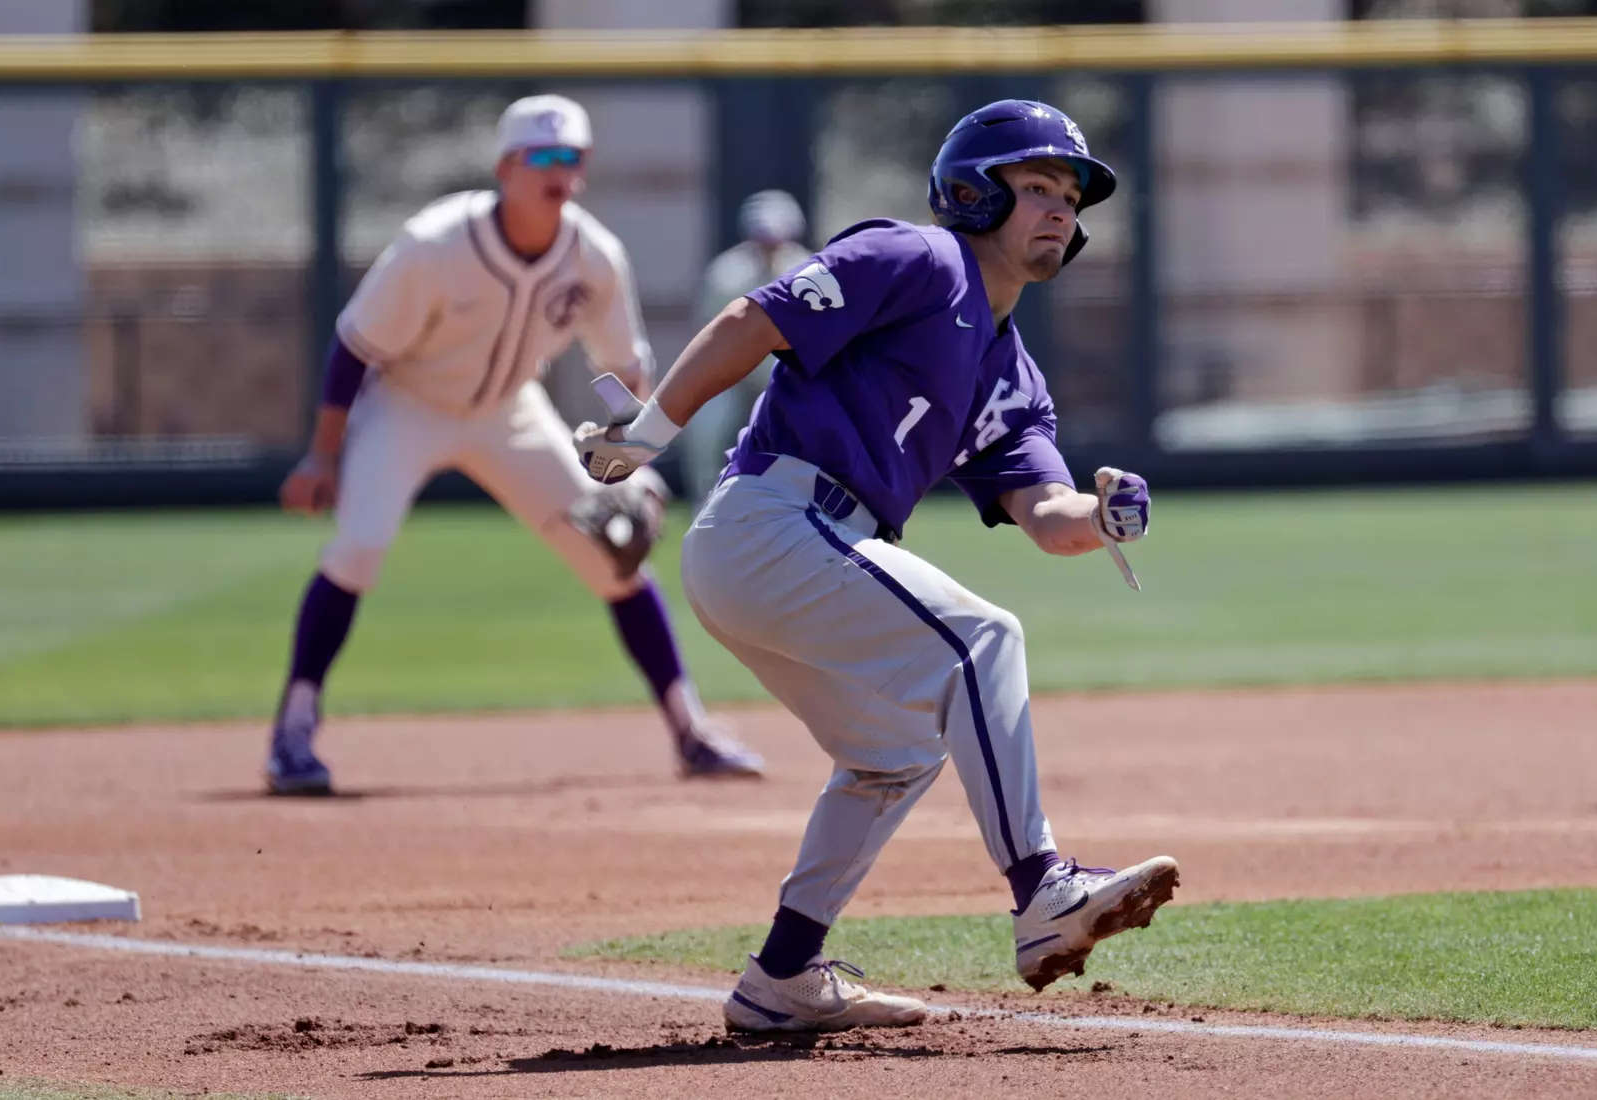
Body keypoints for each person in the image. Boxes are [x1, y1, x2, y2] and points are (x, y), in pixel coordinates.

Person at [574, 99, 1178, 1032]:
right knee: (983, 640)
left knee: (892, 756)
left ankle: (780, 976)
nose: (1061, 209)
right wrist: (651, 431)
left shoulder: (1014, 374)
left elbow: (1045, 517)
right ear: (974, 193)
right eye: (1037, 186)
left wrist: (1102, 517)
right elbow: (753, 318)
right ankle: (1041, 888)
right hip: (770, 521)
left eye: (1070, 196)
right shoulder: (917, 258)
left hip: (806, 551)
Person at [266, 94, 765, 796]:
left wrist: (630, 460)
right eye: (543, 157)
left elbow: (618, 373)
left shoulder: (594, 256)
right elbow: (352, 349)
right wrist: (323, 453)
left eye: (572, 158)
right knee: (358, 549)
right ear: (505, 167)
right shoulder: (433, 244)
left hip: (511, 412)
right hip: (409, 404)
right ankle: (293, 729)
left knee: (611, 553)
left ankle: (691, 731)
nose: (559, 171)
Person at [679, 190, 813, 504]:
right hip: (732, 375)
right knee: (706, 425)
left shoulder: (808, 269)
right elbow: (709, 334)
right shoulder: (725, 273)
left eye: (774, 240)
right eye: (763, 239)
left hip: (784, 376)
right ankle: (705, 499)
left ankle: (804, 500)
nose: (768, 248)